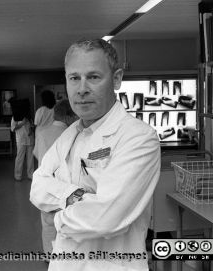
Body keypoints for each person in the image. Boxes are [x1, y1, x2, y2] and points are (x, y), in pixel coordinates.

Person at [29, 38, 161, 271]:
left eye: (93, 77)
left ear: (117, 79)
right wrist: (74, 197)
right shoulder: (70, 134)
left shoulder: (139, 138)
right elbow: (38, 186)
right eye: (74, 78)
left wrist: (55, 217)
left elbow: (106, 217)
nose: (81, 89)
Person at [33, 99, 78, 256]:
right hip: (67, 187)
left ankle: (48, 254)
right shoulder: (73, 134)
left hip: (45, 184)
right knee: (66, 222)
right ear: (68, 116)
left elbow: (36, 154)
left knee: (47, 222)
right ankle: (64, 255)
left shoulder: (42, 132)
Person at [11, 101, 34, 181]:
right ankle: (18, 175)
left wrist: (31, 130)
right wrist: (22, 123)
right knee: (20, 158)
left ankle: (30, 175)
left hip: (30, 139)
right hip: (21, 140)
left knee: (30, 158)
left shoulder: (28, 116)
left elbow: (31, 126)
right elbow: (13, 128)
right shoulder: (15, 116)